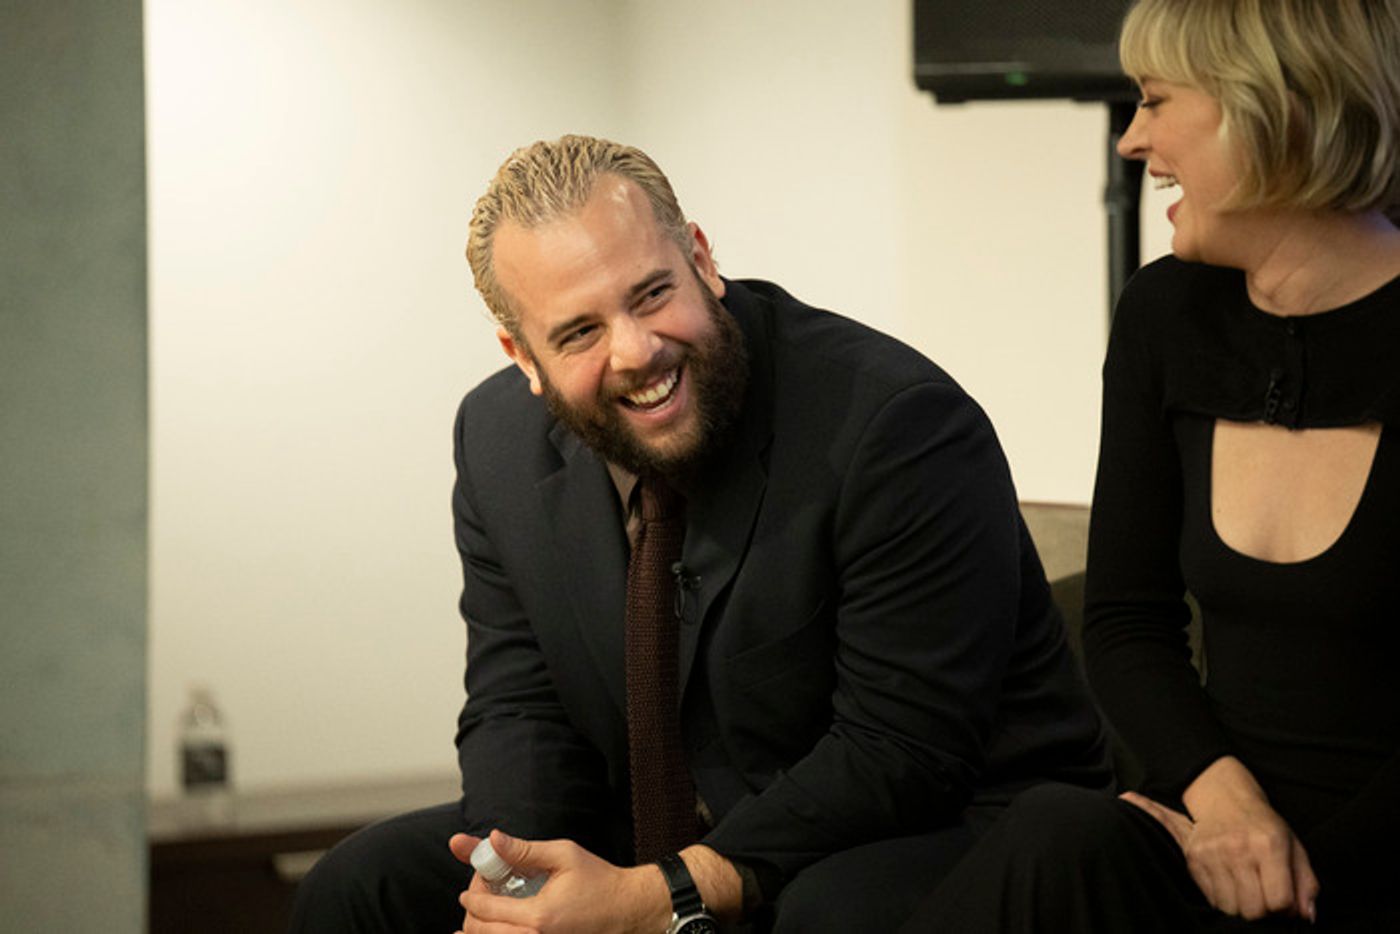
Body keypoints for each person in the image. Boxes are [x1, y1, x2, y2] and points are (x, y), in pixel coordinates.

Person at [289, 134, 1109, 933]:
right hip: (664, 827)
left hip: (927, 824)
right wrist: (526, 889)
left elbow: (901, 750)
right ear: (522, 356)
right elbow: (519, 708)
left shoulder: (894, 423)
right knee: (363, 888)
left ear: (702, 261)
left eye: (651, 294)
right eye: (579, 332)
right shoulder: (496, 440)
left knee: (827, 912)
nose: (638, 350)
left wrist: (664, 893)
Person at [901, 1, 1400, 931]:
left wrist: (1280, 872)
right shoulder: (1165, 315)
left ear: (1271, 109)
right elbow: (1129, 623)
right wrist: (1225, 813)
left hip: (1372, 868)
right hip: (1215, 841)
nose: (1133, 141)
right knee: (1059, 835)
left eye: (1157, 101)